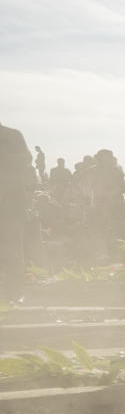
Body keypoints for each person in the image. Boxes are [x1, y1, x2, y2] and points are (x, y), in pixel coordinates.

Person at [0, 121, 36, 301]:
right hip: (13, 202)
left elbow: (24, 165)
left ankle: (13, 295)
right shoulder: (14, 136)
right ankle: (12, 294)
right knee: (12, 248)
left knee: (12, 248)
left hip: (11, 204)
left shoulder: (13, 136)